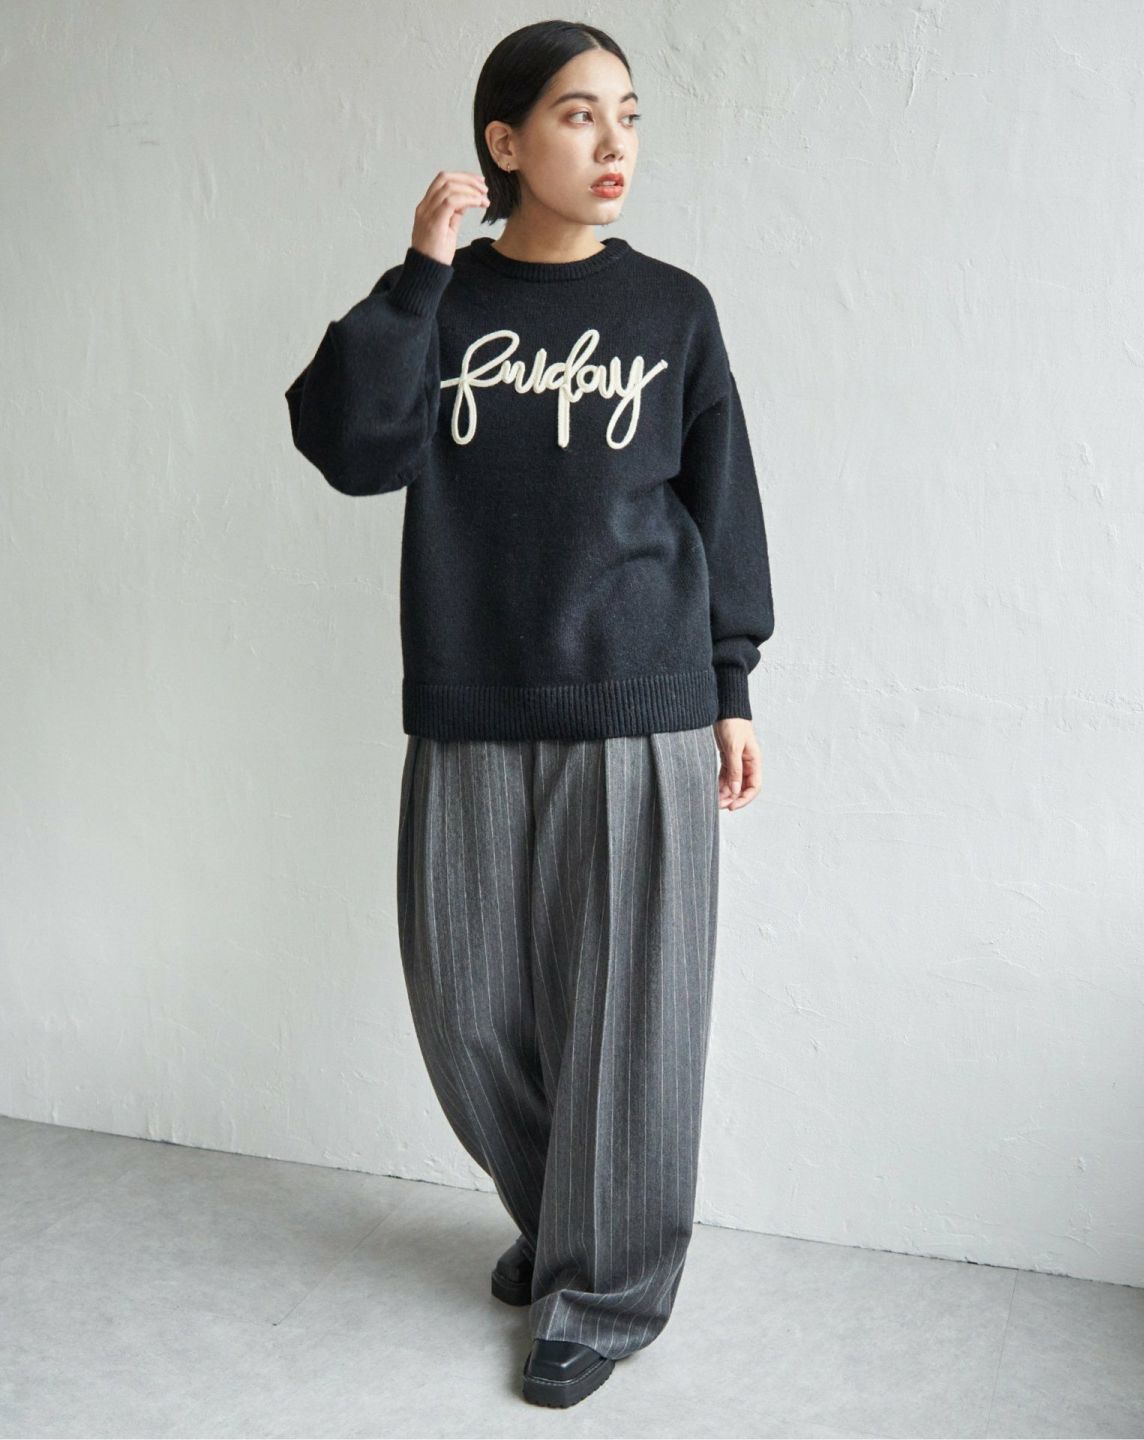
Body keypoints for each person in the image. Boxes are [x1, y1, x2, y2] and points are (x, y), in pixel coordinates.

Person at [284, 17, 774, 1410]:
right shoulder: (438, 305)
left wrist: (733, 684)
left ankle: (603, 1288)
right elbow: (348, 447)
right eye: (576, 114)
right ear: (503, 144)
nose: (615, 143)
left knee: (630, 1021)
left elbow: (721, 501)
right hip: (474, 693)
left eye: (628, 114)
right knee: (465, 1005)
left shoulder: (673, 309)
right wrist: (419, 271)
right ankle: (572, 1217)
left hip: (643, 699)